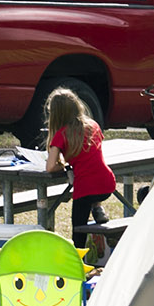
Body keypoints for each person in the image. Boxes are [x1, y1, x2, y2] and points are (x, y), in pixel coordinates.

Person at [44, 86, 115, 261]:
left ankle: (78, 264)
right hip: (107, 183)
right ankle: (97, 207)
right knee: (91, 182)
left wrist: (63, 165)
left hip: (85, 189)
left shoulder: (61, 135)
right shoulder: (93, 126)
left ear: (55, 114)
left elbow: (50, 167)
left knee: (78, 230)